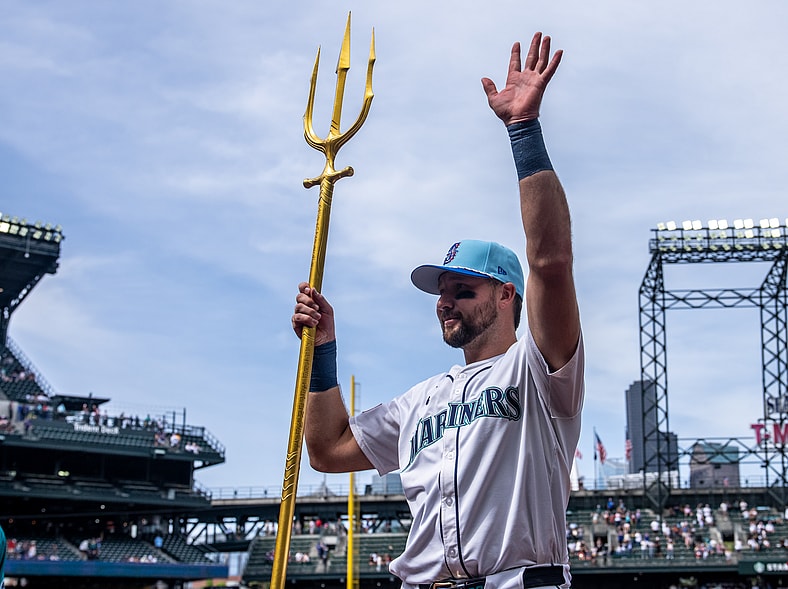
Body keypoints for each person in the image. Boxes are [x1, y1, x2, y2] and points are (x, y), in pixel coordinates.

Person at [292, 32, 584, 589]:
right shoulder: (419, 401)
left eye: (462, 290)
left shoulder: (540, 368)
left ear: (506, 295)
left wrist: (523, 131)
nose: (444, 301)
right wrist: (323, 351)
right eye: (440, 292)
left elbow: (550, 261)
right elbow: (327, 451)